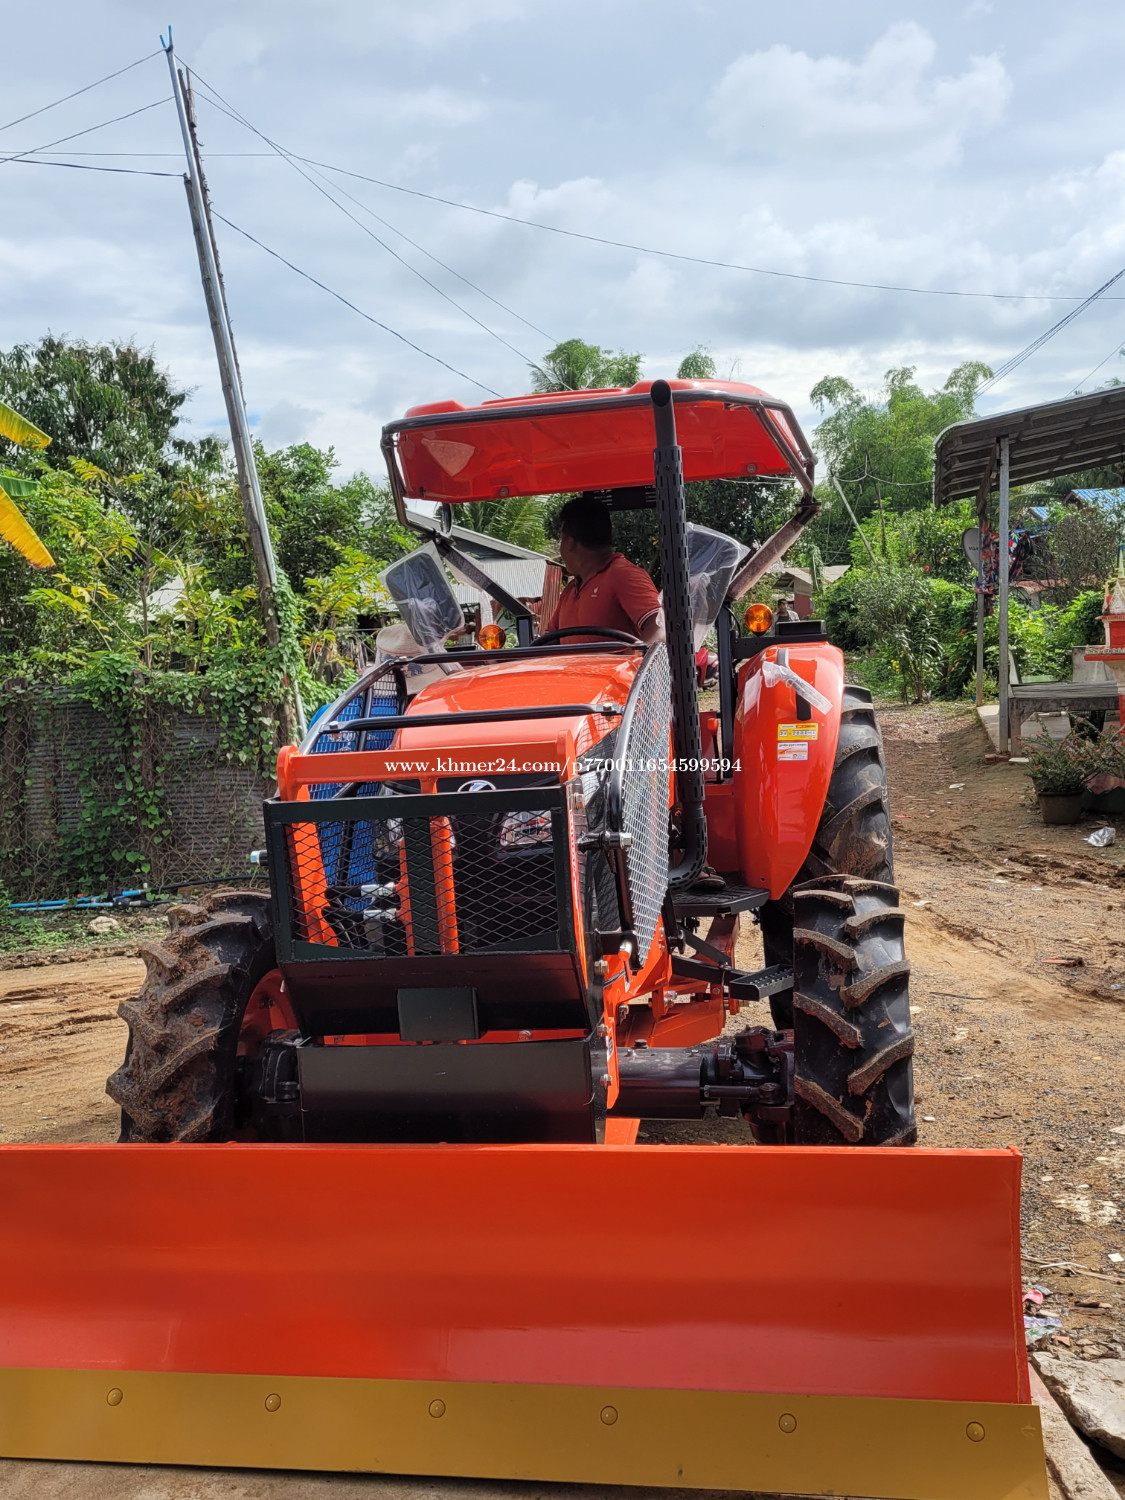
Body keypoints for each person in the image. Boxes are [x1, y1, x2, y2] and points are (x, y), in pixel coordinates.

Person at [542, 496, 665, 643]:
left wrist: (633, 657)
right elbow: (549, 640)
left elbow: (659, 627)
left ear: (569, 542)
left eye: (561, 540)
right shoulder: (571, 589)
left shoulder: (622, 575)